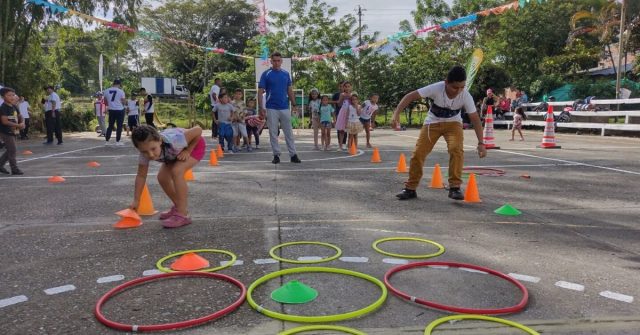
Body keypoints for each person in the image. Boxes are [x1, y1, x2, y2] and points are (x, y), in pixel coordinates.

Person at [392, 65, 487, 201]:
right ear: (446, 82)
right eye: (455, 87)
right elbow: (410, 96)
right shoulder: (436, 87)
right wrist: (396, 114)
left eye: (462, 87)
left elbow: (475, 119)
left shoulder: (465, 95)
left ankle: (455, 187)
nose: (459, 91)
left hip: (454, 124)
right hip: (432, 123)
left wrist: (481, 143)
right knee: (419, 153)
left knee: (456, 150)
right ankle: (410, 189)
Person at [130, 125, 205, 228]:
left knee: (177, 171)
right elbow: (141, 176)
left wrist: (188, 150)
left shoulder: (176, 140)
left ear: (160, 141)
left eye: (153, 149)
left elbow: (198, 130)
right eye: (144, 151)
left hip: (194, 146)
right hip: (173, 153)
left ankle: (183, 214)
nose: (151, 155)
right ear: (139, 149)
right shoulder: (144, 155)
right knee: (162, 178)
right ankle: (178, 206)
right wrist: (136, 200)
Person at [258, 51, 301, 164]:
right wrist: (260, 107)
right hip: (271, 107)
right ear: (271, 61)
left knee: (289, 132)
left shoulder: (286, 74)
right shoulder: (266, 74)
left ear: (281, 61)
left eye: (278, 61)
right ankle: (276, 155)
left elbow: (290, 90)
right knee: (273, 132)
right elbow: (260, 91)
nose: (276, 63)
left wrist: (295, 105)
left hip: (284, 107)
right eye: (274, 61)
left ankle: (293, 155)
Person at [0, 87, 25, 175]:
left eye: (13, 95)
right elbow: (4, 121)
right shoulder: (3, 107)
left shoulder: (14, 106)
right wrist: (18, 125)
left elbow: (20, 116)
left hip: (14, 131)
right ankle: (14, 169)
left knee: (11, 150)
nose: (12, 97)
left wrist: (22, 123)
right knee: (13, 150)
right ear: (3, 97)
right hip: (5, 132)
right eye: (9, 95)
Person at [104, 80, 127, 146]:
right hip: (120, 110)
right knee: (119, 126)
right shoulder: (121, 91)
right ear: (119, 84)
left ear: (113, 83)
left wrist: (110, 105)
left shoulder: (106, 90)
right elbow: (123, 101)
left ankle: (107, 141)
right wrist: (125, 106)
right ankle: (118, 141)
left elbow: (105, 101)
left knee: (110, 126)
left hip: (111, 110)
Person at [334, 82, 353, 151]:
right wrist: (343, 98)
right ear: (344, 87)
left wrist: (351, 98)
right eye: (346, 86)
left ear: (351, 87)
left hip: (350, 113)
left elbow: (355, 103)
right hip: (343, 113)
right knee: (341, 130)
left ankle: (349, 146)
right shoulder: (342, 94)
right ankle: (340, 146)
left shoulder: (352, 95)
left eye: (349, 86)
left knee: (350, 130)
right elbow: (339, 104)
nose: (347, 88)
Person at [331, 81, 347, 147]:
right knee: (339, 128)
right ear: (339, 87)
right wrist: (333, 115)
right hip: (338, 113)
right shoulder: (336, 95)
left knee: (345, 129)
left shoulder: (347, 94)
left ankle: (344, 143)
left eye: (343, 86)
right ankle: (339, 143)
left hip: (346, 113)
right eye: (340, 86)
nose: (341, 88)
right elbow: (333, 104)